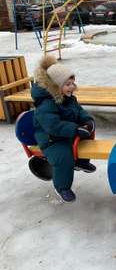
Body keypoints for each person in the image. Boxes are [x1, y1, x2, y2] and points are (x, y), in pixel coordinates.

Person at [31, 55, 96, 203]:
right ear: (55, 86)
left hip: (66, 134)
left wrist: (87, 121)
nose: (72, 87)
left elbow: (79, 111)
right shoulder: (46, 104)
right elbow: (52, 126)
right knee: (63, 157)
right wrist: (75, 129)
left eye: (73, 83)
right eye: (67, 84)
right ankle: (62, 187)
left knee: (87, 137)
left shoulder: (69, 98)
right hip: (51, 139)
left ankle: (80, 161)